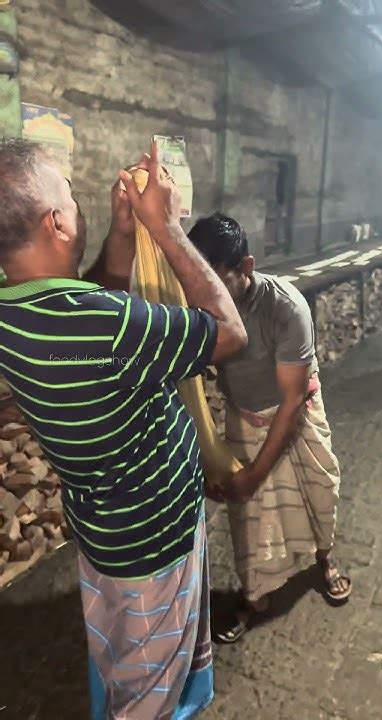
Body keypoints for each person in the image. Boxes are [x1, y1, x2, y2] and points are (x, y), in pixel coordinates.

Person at [0, 140, 247, 717]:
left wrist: (117, 234)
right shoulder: (113, 327)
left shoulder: (16, 313)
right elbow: (229, 332)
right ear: (56, 221)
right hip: (154, 540)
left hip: (104, 529)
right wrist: (165, 228)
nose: (78, 202)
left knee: (120, 654)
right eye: (69, 194)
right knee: (149, 693)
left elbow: (80, 301)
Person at [189, 213, 351, 643]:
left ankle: (324, 558)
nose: (206, 293)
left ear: (246, 267)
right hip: (244, 415)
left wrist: (254, 474)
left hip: (293, 413)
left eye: (216, 280)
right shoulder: (198, 306)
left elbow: (293, 400)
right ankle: (255, 594)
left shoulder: (285, 306)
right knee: (251, 519)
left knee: (320, 490)